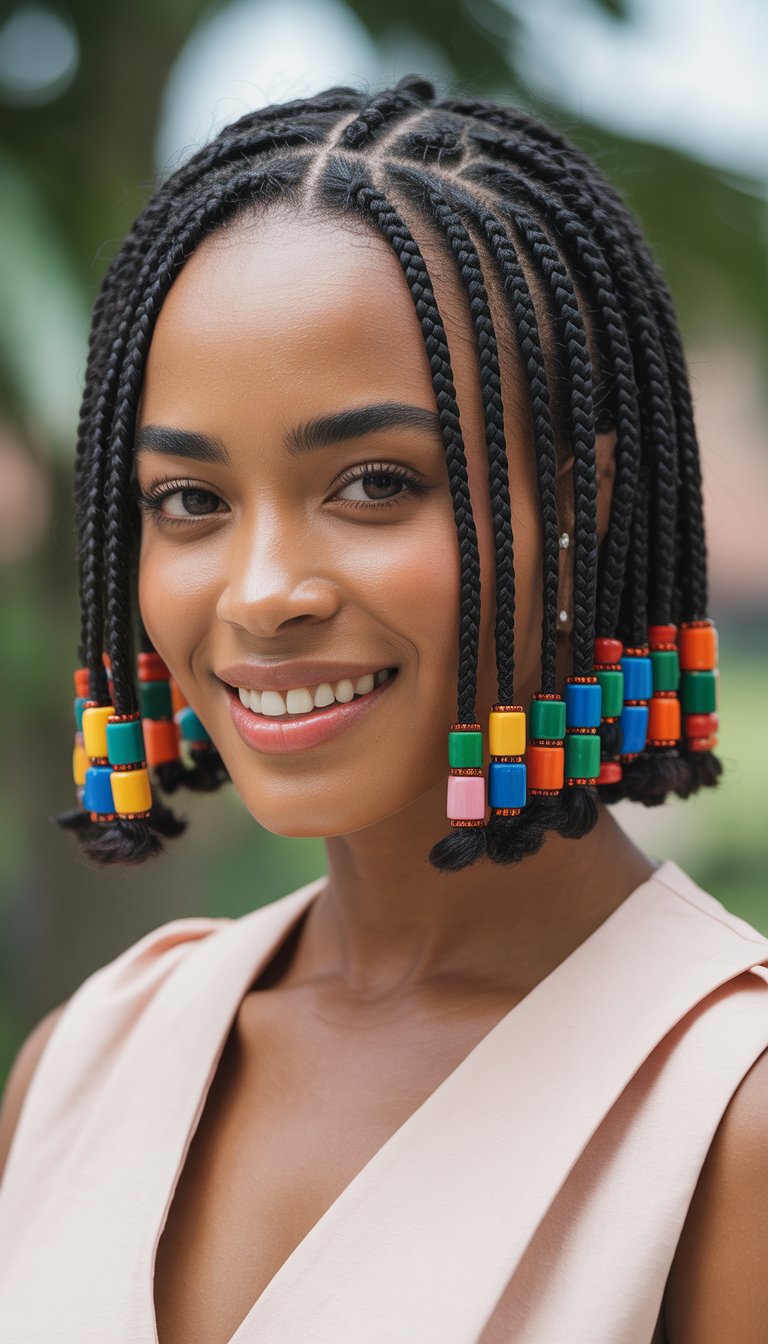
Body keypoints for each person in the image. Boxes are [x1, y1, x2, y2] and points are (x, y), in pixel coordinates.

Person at [0, 76, 766, 1344]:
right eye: (190, 501)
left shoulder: (722, 1110)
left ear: (580, 509)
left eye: (371, 482)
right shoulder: (90, 1061)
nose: (260, 596)